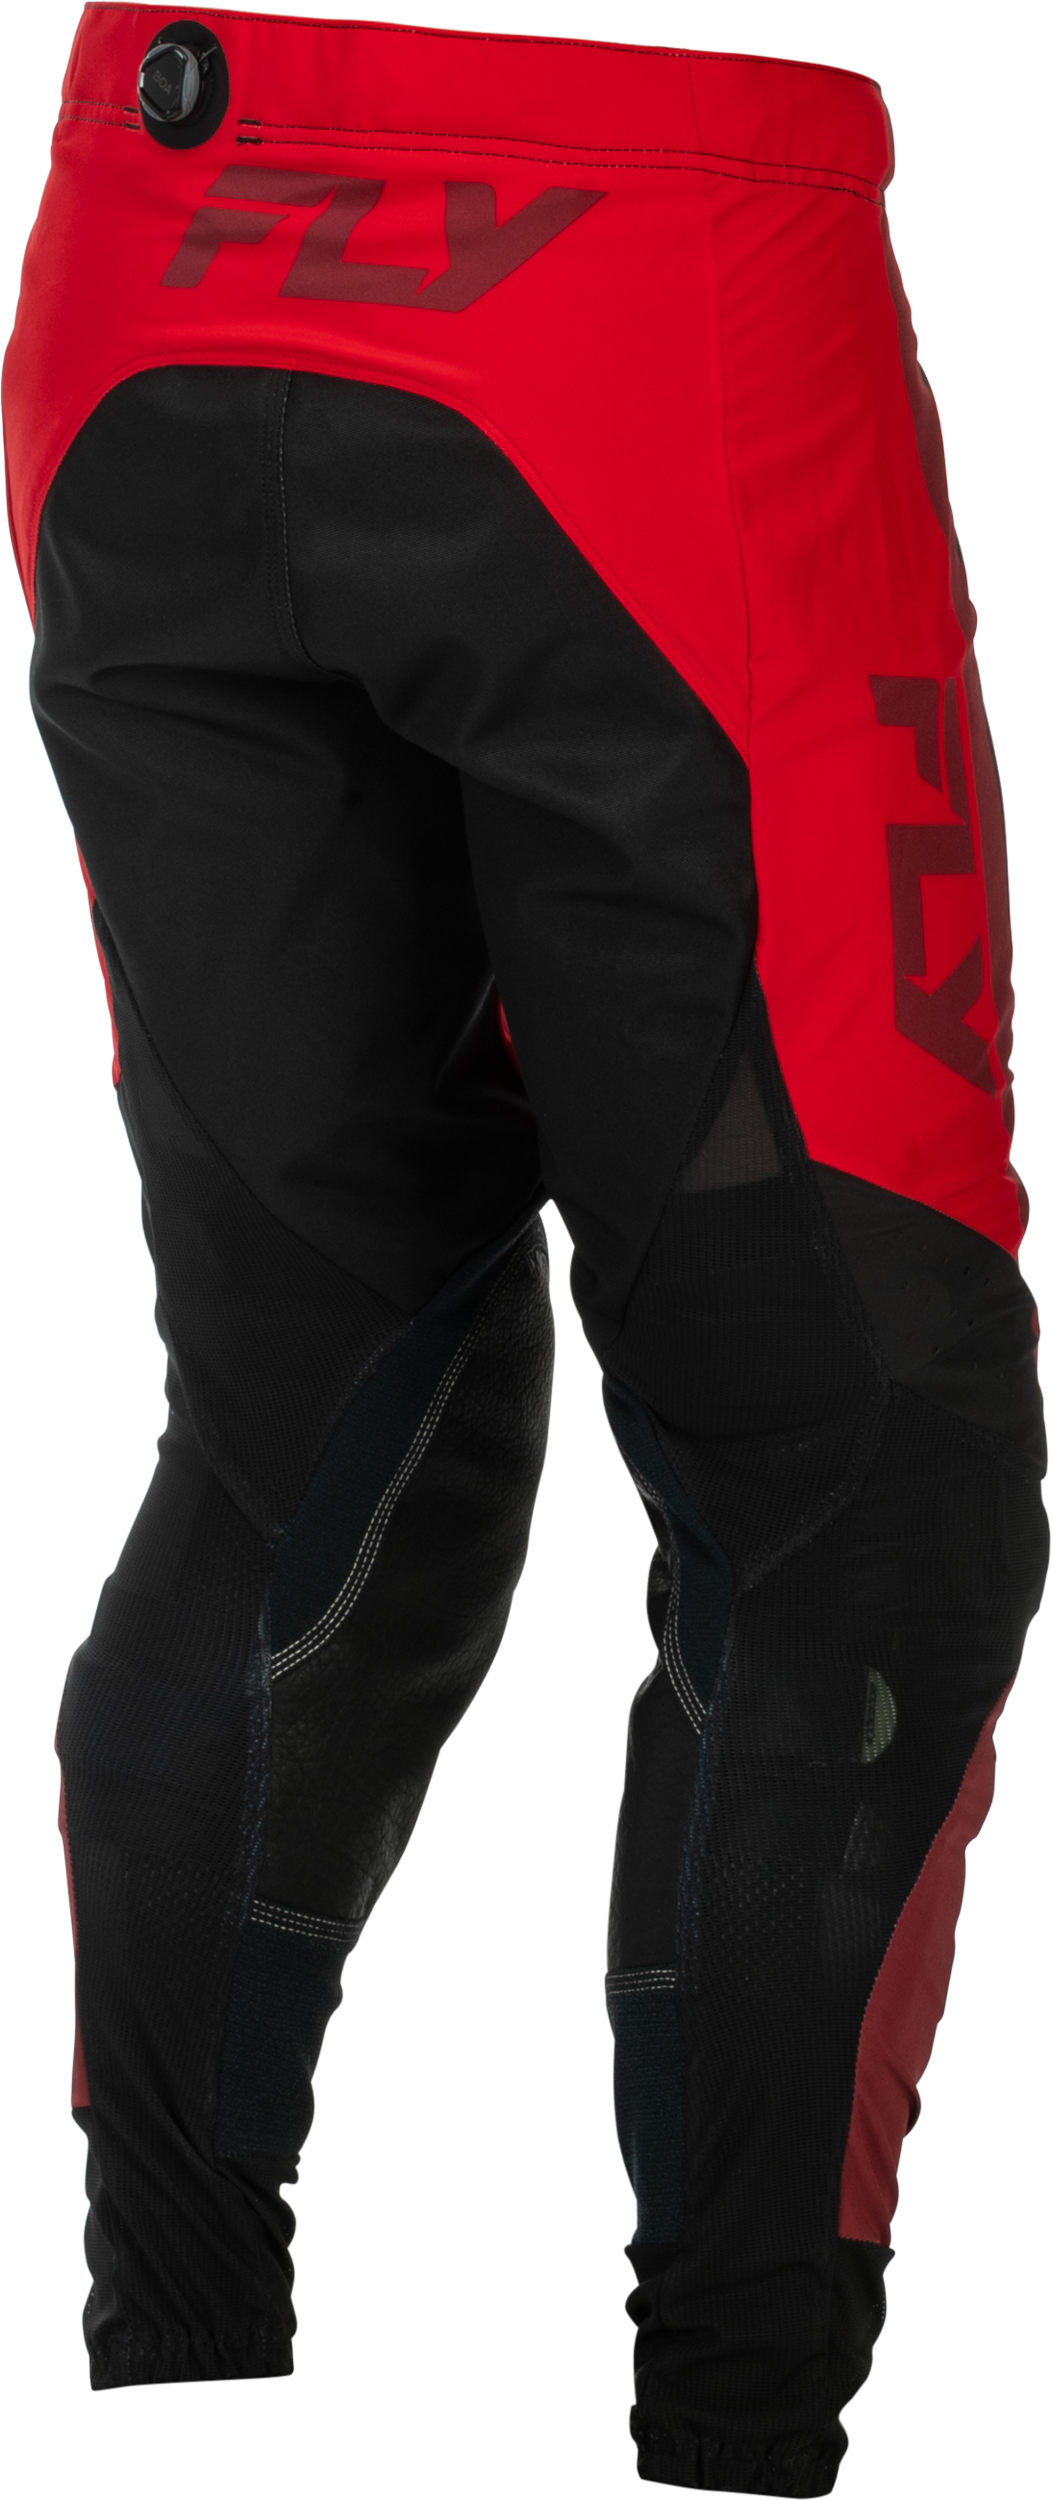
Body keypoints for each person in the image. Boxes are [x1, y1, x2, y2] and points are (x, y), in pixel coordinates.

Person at [3, 3, 1046, 2495]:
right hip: (638, 269)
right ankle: (735, 2438)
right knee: (856, 1483)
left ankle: (173, 2416)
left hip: (161, 259)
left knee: (308, 1432)